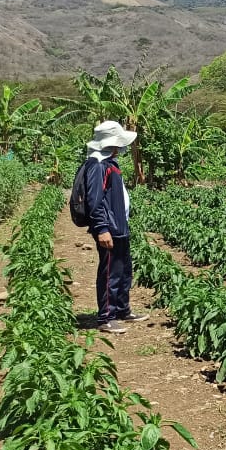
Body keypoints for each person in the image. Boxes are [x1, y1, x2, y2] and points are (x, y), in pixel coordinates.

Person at [83, 120, 147, 334]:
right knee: (110, 272)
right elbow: (95, 200)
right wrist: (101, 228)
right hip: (109, 228)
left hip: (119, 226)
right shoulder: (98, 165)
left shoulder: (109, 163)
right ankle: (106, 317)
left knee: (123, 270)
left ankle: (122, 310)